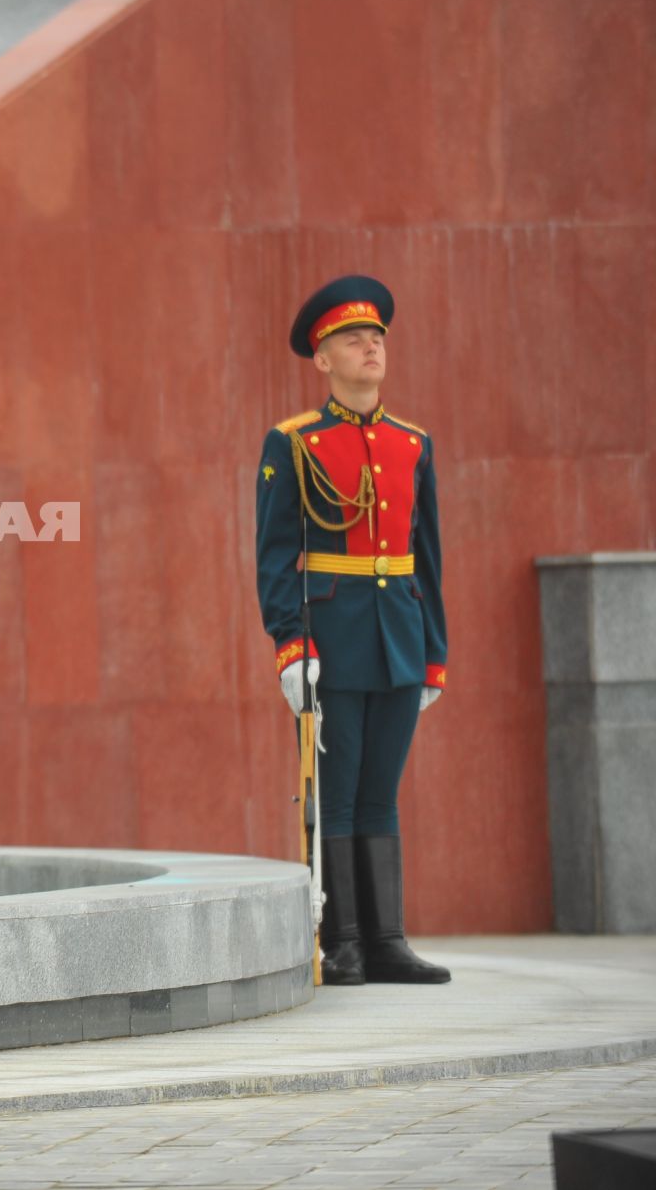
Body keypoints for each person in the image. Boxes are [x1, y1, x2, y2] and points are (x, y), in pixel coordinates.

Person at [254, 275, 451, 988]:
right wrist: (290, 645)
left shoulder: (413, 444)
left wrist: (435, 652)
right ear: (323, 359)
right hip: (331, 638)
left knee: (380, 792)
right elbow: (276, 555)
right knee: (333, 794)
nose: (370, 346)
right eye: (352, 339)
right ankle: (342, 943)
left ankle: (387, 939)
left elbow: (427, 558)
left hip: (399, 634)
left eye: (376, 338)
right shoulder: (295, 442)